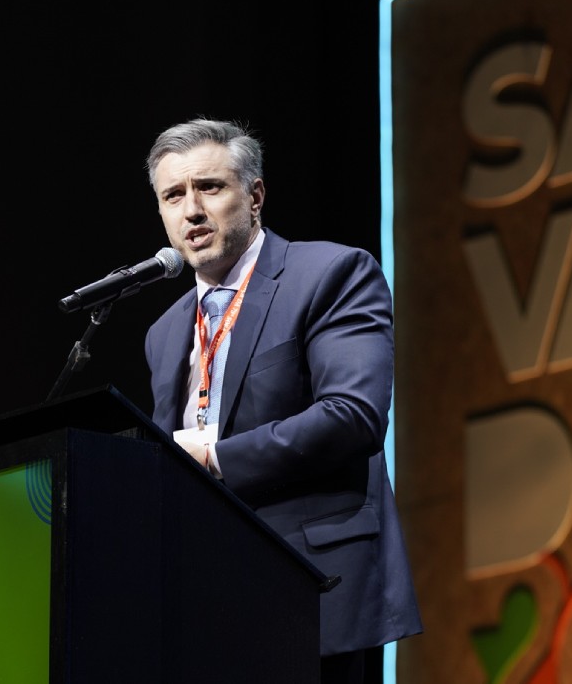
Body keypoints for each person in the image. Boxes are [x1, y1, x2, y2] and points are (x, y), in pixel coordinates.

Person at [142, 118, 423, 683]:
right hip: (203, 605)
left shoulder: (330, 274)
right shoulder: (165, 331)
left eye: (210, 187)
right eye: (173, 195)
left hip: (311, 590)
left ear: (255, 195)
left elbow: (353, 416)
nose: (191, 210)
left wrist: (216, 460)